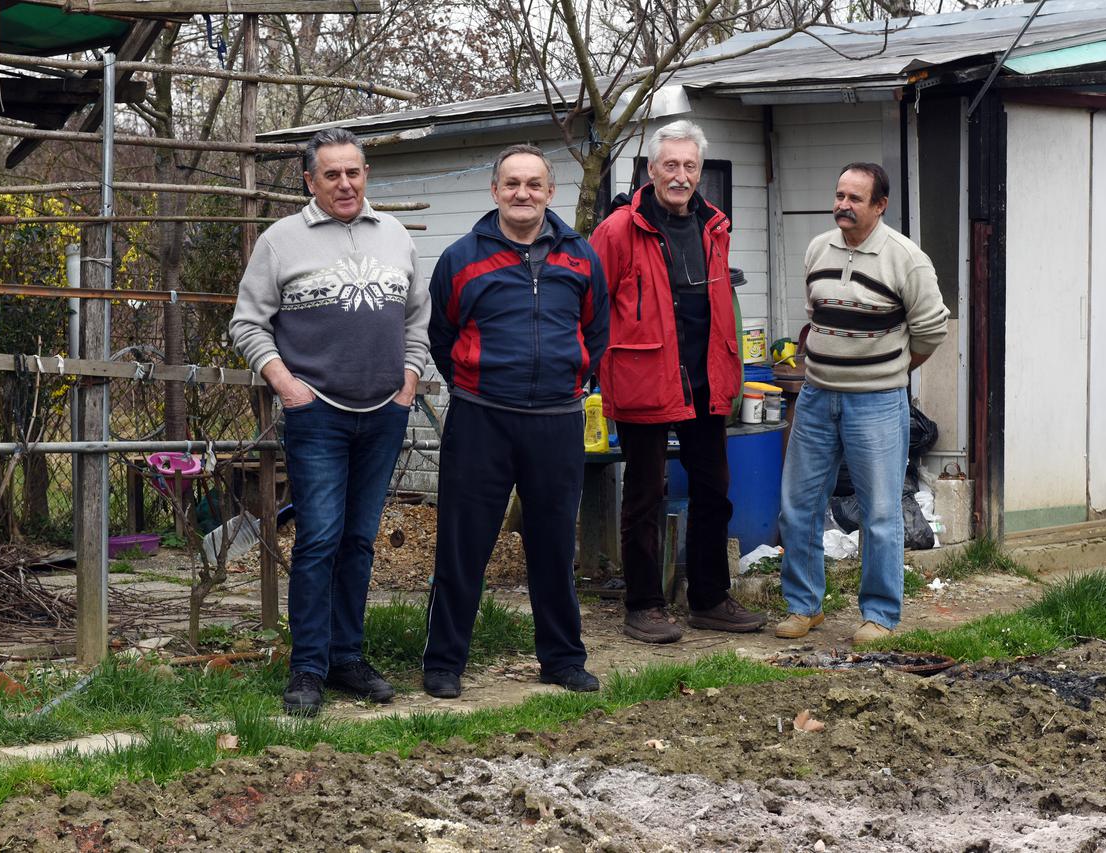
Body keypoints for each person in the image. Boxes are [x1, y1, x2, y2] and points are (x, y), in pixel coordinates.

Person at [229, 128, 429, 715]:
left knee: (360, 541)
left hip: (385, 413)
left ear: (366, 175)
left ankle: (348, 658)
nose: (346, 183)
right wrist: (289, 388)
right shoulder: (280, 241)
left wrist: (409, 383)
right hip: (317, 415)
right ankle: (307, 669)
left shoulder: (394, 236)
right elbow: (247, 323)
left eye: (355, 172)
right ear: (309, 180)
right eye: (332, 174)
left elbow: (418, 319)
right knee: (318, 540)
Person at [421, 144, 609, 698]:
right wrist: (477, 383)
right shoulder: (461, 258)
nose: (522, 193)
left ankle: (562, 658)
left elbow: (595, 333)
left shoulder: (581, 257)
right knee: (463, 544)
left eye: (534, 184)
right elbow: (442, 337)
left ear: (551, 193)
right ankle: (444, 663)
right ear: (495, 192)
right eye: (512, 184)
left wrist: (571, 379)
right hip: (482, 419)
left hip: (556, 420)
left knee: (552, 546)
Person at [590, 120, 767, 644]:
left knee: (714, 491)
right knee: (645, 494)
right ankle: (643, 604)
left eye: (690, 166)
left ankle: (709, 598)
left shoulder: (714, 226)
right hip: (645, 377)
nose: (681, 176)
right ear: (651, 169)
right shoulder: (619, 230)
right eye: (671, 165)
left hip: (706, 380)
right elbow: (593, 306)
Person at [775, 162, 949, 648]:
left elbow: (932, 330)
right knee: (798, 507)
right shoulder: (817, 248)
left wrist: (890, 369)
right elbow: (816, 315)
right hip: (815, 397)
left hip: (876, 402)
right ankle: (803, 606)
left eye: (854, 199)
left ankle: (879, 614)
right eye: (839, 196)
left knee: (879, 512)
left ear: (880, 205)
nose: (842, 206)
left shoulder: (906, 260)